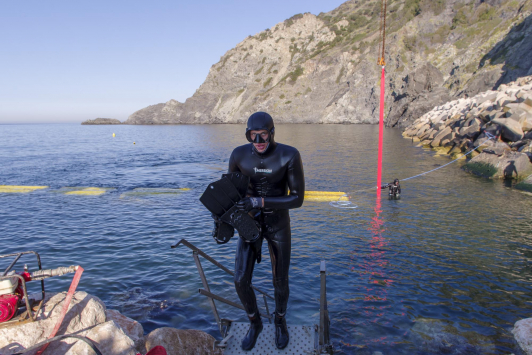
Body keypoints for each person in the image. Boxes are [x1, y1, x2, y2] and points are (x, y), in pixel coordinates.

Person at [227, 111, 305, 351]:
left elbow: (297, 199)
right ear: (248, 135)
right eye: (253, 135)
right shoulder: (238, 154)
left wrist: (260, 202)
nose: (258, 141)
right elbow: (231, 192)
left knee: (280, 280)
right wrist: (222, 218)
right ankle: (255, 322)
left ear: (272, 133)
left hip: (278, 223)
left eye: (263, 135)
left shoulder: (289, 155)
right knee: (240, 280)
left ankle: (279, 320)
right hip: (249, 222)